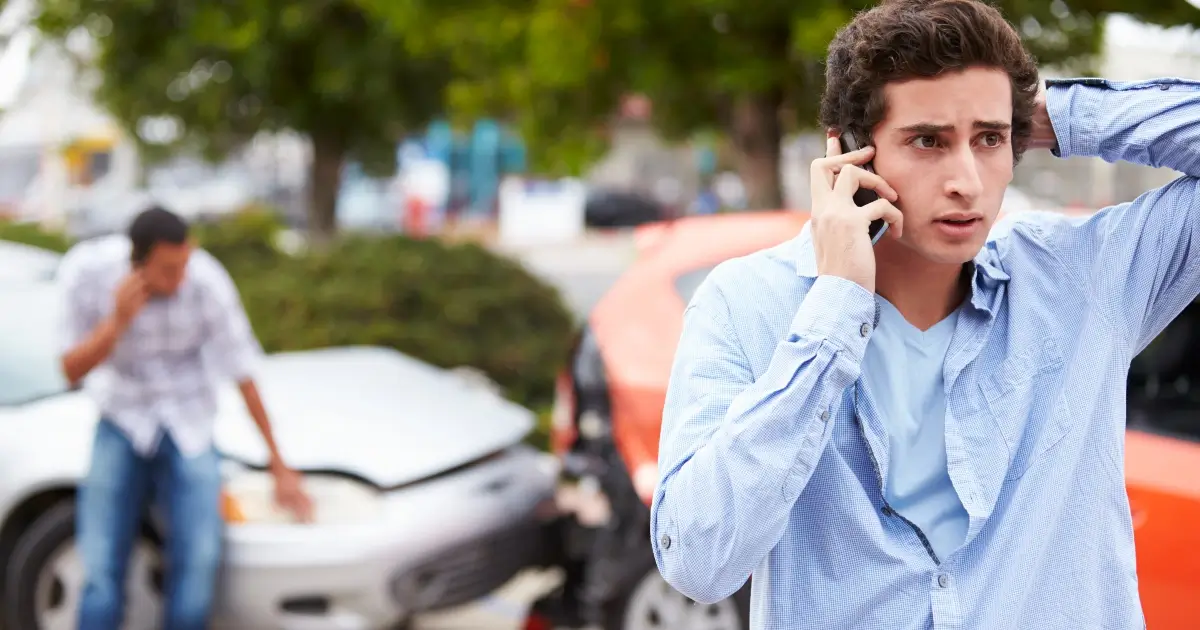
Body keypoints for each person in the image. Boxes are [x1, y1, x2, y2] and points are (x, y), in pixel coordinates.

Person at [650, 1, 1200, 628]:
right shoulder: (748, 303)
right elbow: (697, 562)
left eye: (989, 140)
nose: (967, 179)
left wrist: (1052, 116)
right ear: (853, 153)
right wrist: (834, 313)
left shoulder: (1083, 279)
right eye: (928, 141)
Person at [58, 206, 315, 630]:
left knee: (199, 561)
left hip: (190, 422)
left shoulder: (205, 280)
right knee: (100, 566)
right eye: (168, 269)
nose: (180, 278)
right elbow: (70, 370)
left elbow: (243, 370)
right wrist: (117, 323)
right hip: (122, 418)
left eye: (184, 264)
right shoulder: (88, 273)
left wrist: (279, 462)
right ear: (136, 264)